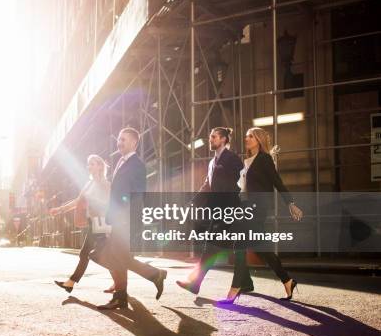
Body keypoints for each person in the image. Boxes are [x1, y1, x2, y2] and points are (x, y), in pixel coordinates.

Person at [218, 127, 303, 304]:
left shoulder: (264, 159)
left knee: (240, 243)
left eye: (251, 136)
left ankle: (236, 287)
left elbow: (277, 182)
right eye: (246, 135)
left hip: (258, 208)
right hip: (246, 207)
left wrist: (290, 203)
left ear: (259, 140)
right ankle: (287, 280)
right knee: (260, 246)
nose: (246, 138)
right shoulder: (247, 160)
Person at [90, 127, 167, 310]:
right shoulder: (120, 162)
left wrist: (130, 219)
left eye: (123, 139)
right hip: (117, 217)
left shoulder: (137, 165)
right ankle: (153, 276)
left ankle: (123, 295)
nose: (119, 142)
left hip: (126, 218)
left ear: (134, 142)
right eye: (118, 139)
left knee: (116, 256)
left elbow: (139, 194)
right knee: (117, 257)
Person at [176, 127, 253, 294]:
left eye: (214, 137)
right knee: (235, 247)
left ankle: (195, 283)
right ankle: (246, 282)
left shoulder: (232, 159)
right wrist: (193, 201)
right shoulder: (212, 162)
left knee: (211, 247)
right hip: (220, 209)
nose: (210, 140)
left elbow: (242, 182)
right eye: (210, 137)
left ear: (224, 139)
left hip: (230, 209)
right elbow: (207, 185)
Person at [53, 154, 114, 293]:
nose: (89, 166)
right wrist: (60, 209)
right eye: (88, 164)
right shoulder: (89, 183)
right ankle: (71, 283)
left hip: (101, 223)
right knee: (95, 254)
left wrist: (92, 201)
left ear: (100, 166)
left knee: (91, 254)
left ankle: (71, 282)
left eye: (92, 164)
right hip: (92, 223)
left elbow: (109, 204)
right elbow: (78, 201)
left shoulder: (105, 184)